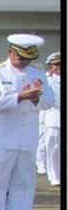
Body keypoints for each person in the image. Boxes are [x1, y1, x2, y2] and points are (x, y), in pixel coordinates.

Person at [0, 33, 54, 210]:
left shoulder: (37, 73)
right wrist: (20, 97)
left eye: (28, 59)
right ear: (10, 53)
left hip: (27, 138)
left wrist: (36, 98)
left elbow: (50, 101)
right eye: (21, 58)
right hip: (1, 137)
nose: (24, 63)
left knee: (24, 184)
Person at [43, 52, 61, 186]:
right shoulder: (47, 80)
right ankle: (54, 176)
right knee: (53, 146)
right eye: (56, 64)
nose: (59, 67)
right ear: (51, 66)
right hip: (54, 114)